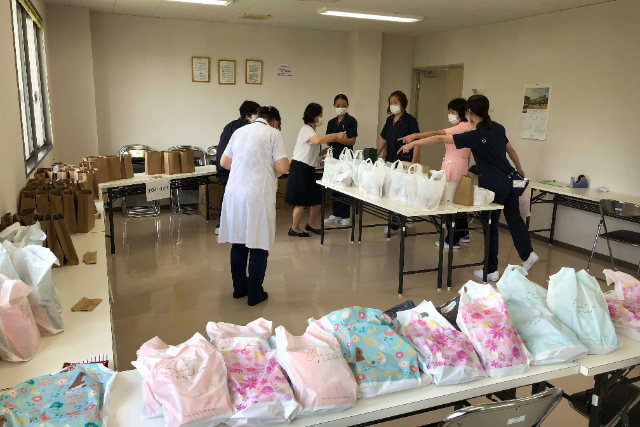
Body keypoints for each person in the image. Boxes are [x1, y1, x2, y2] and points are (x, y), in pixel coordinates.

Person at [399, 95, 539, 281]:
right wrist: (519, 170)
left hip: (493, 185)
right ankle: (528, 254)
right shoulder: (498, 128)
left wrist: (414, 143)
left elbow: (440, 138)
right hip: (510, 180)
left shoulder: (476, 135)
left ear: (470, 112)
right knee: (514, 218)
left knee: (491, 226)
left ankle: (491, 270)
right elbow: (511, 150)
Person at [218, 106, 290, 306]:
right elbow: (283, 167)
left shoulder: (239, 132)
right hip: (257, 194)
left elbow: (224, 162)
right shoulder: (274, 134)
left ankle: (240, 288)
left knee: (238, 242)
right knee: (259, 243)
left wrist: (245, 166)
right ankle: (255, 293)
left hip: (235, 194)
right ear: (276, 123)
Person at [401, 98, 473, 249]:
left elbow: (438, 135)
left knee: (450, 202)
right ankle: (463, 232)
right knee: (457, 200)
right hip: (458, 164)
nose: (450, 115)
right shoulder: (467, 127)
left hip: (454, 166)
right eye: (449, 112)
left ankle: (452, 239)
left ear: (461, 112)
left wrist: (415, 138)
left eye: (453, 112)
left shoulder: (461, 128)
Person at [285, 103, 346, 237]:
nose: (321, 118)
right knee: (301, 200)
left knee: (317, 198)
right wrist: (336, 135)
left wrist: (324, 151)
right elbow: (318, 140)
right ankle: (294, 228)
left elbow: (314, 149)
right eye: (320, 115)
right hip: (300, 168)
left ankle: (311, 224)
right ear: (314, 116)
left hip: (309, 169)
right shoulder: (306, 129)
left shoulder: (312, 132)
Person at [377, 90, 420, 235]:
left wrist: (414, 162)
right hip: (390, 160)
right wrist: (376, 154)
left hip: (404, 161)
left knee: (401, 193)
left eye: (395, 102)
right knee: (392, 192)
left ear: (403, 103)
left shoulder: (410, 120)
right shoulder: (390, 120)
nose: (393, 105)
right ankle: (394, 223)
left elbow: (417, 142)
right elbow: (384, 139)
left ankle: (400, 222)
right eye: (391, 102)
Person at [215, 100, 261, 235]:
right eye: (256, 113)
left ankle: (223, 225)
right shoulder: (246, 127)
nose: (257, 117)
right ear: (248, 114)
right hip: (235, 167)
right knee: (239, 196)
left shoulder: (230, 125)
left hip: (223, 165)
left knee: (229, 194)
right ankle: (233, 225)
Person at [323, 94, 358, 227]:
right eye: (338, 105)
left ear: (347, 106)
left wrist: (338, 139)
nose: (340, 108)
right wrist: (333, 139)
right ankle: (335, 213)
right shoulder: (331, 122)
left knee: (344, 186)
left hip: (346, 158)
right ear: (334, 106)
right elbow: (328, 141)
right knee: (334, 185)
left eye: (343, 105)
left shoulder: (351, 121)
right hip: (333, 158)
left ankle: (345, 215)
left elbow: (352, 141)